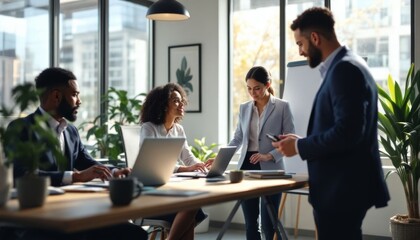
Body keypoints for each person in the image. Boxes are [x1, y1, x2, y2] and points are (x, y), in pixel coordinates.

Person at [273, 7, 390, 240]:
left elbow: (347, 132)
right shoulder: (349, 65)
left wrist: (299, 147)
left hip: (341, 189)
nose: (301, 51)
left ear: (314, 37)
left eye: (300, 43)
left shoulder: (344, 70)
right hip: (344, 186)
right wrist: (302, 141)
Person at [4, 67, 147, 240]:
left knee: (133, 233)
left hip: (72, 210)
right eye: (75, 94)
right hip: (39, 220)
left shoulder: (70, 131)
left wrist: (115, 172)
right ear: (56, 96)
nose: (79, 101)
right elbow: (21, 174)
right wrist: (76, 177)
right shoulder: (22, 128)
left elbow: (87, 162)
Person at [227, 66, 295, 240]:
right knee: (250, 223)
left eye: (257, 88)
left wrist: (270, 155)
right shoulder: (244, 108)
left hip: (271, 167)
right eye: (249, 89)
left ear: (267, 84)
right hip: (247, 167)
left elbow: (289, 140)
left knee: (269, 223)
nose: (253, 93)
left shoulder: (282, 107)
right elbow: (238, 138)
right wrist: (222, 156)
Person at [139, 82, 209, 240]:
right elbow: (154, 163)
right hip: (152, 193)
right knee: (191, 206)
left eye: (182, 101)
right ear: (164, 105)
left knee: (191, 205)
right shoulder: (149, 128)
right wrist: (185, 169)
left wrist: (201, 166)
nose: (181, 104)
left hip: (171, 189)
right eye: (176, 101)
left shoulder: (178, 130)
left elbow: (188, 157)